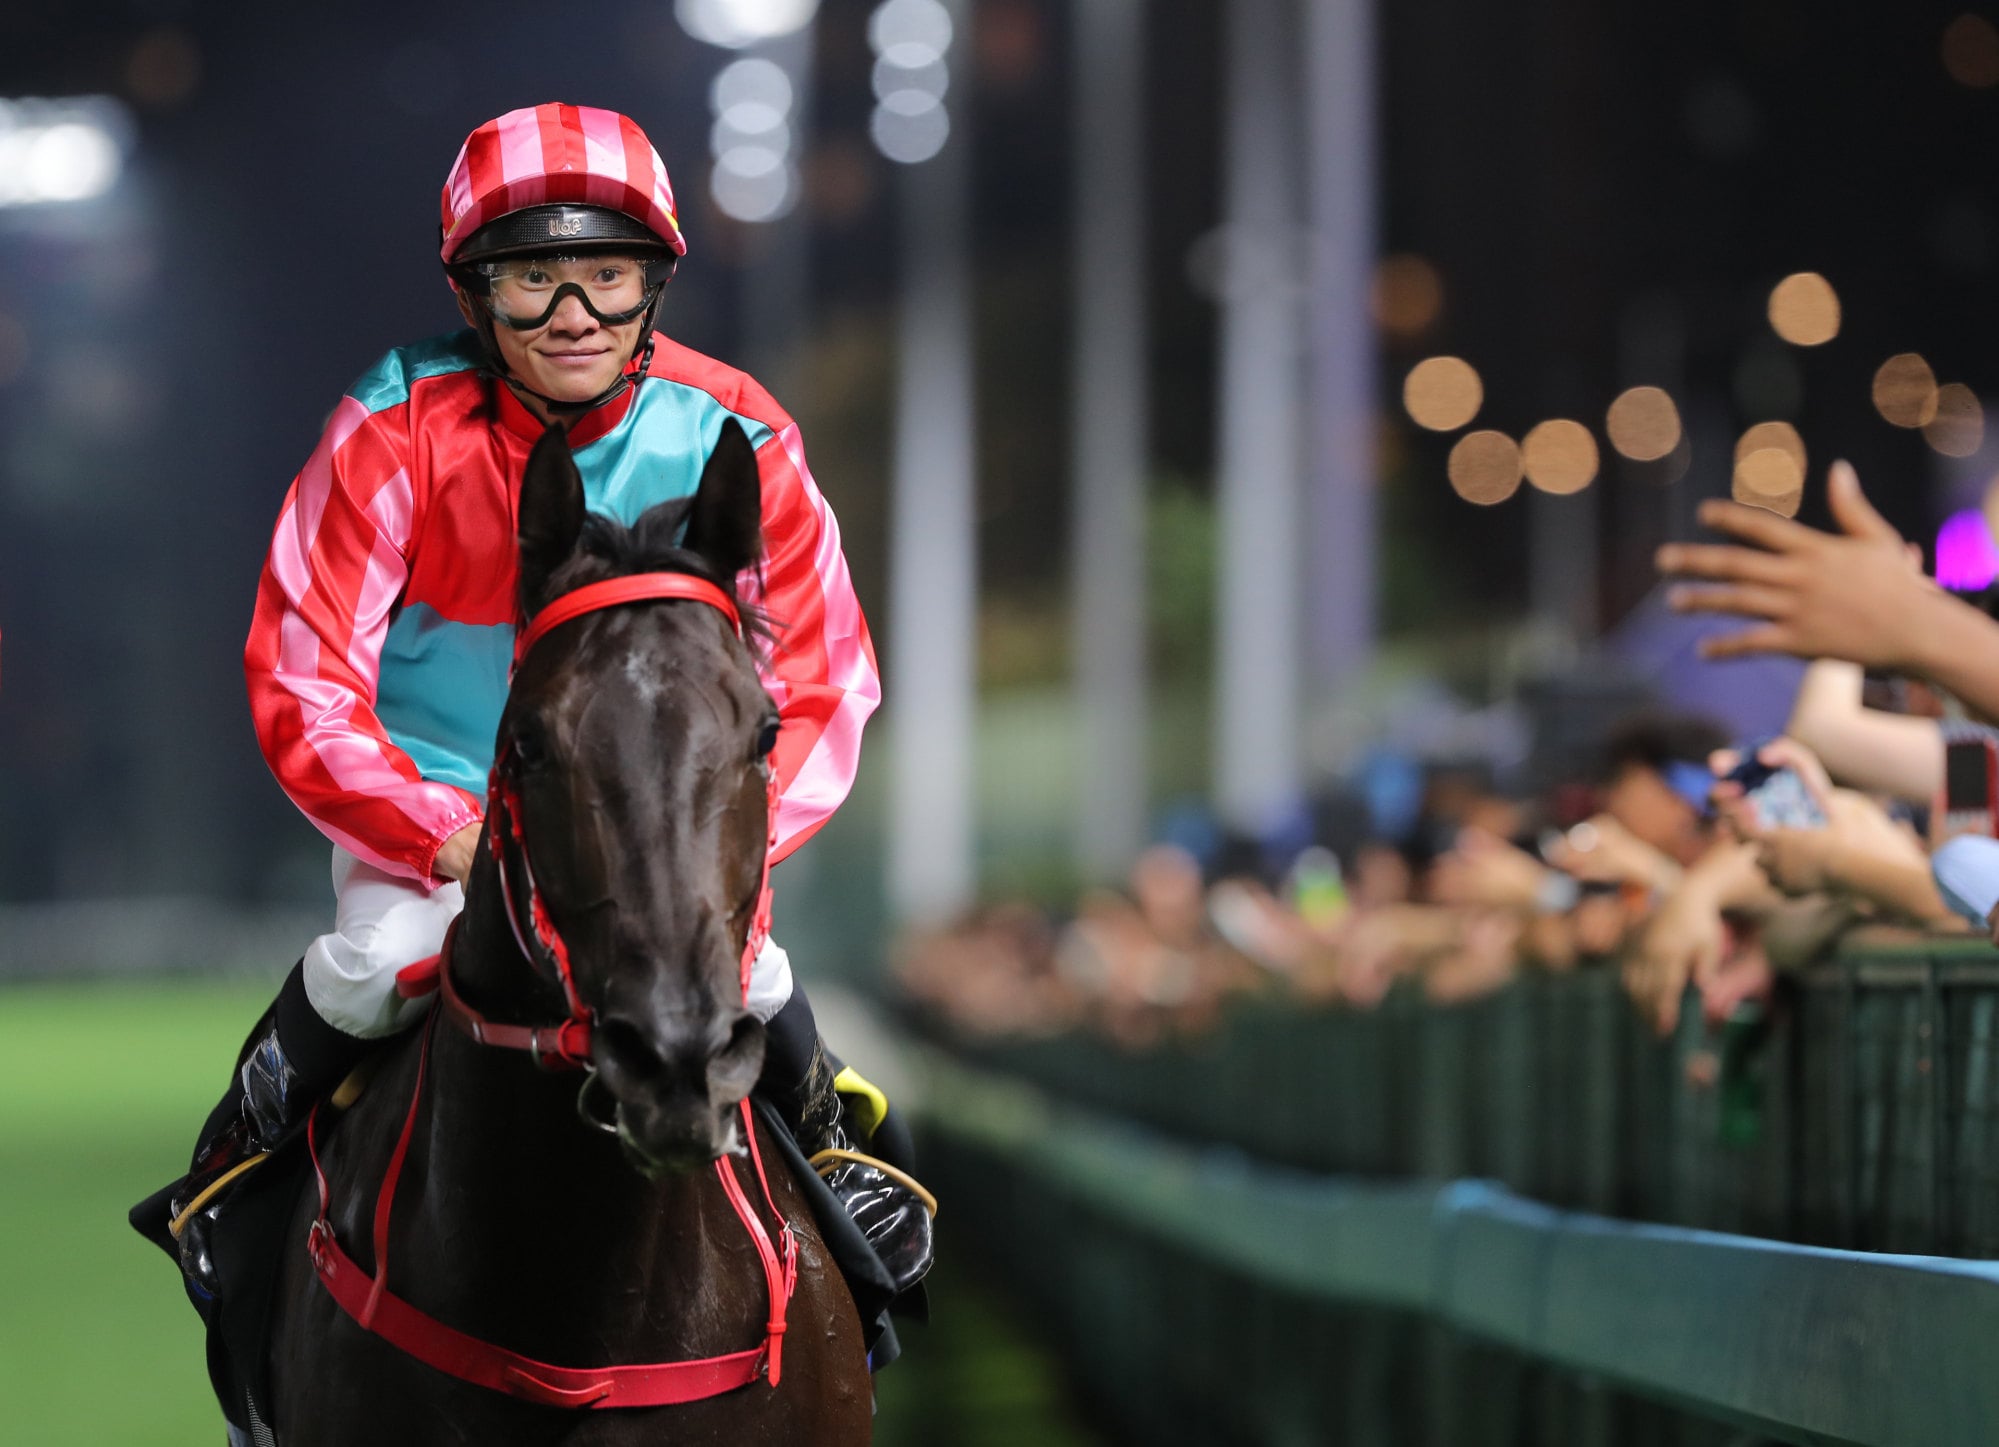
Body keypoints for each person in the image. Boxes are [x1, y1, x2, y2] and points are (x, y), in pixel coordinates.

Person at [146, 103, 930, 1304]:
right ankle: (238, 1169)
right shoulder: (389, 426)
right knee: (382, 955)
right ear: (475, 293)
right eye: (531, 278)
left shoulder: (744, 431)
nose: (572, 315)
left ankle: (840, 1164)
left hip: (665, 817)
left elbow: (824, 682)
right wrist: (440, 834)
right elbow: (304, 679)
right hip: (438, 819)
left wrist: (716, 842)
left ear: (652, 283)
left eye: (606, 274)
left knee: (749, 974)